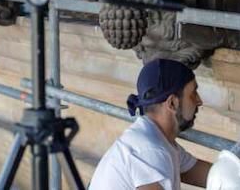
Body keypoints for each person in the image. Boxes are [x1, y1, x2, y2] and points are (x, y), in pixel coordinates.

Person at [90, 59, 212, 189]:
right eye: (193, 94)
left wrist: (233, 169)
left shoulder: (157, 139)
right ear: (172, 103)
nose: (199, 101)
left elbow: (213, 176)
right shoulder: (149, 151)